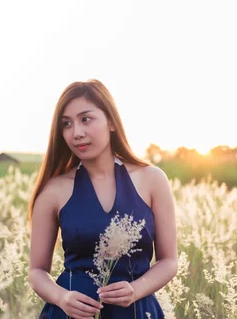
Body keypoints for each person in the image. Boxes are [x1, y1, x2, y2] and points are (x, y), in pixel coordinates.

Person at [28, 79, 178, 319]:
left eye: (85, 119)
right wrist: (61, 298)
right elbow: (36, 271)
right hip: (71, 315)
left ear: (111, 122)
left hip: (136, 312)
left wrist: (135, 289)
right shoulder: (53, 190)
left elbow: (169, 261)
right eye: (66, 124)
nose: (76, 132)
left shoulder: (152, 179)